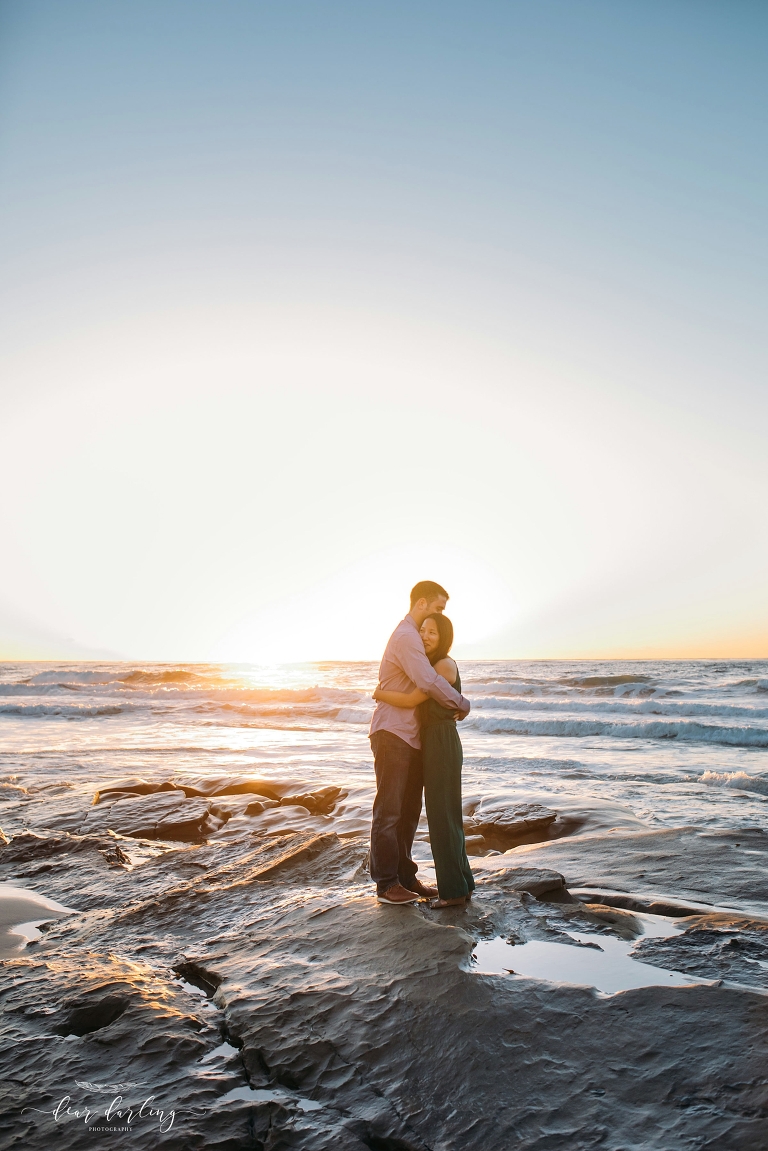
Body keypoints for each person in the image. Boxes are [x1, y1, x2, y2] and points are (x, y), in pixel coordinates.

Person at [369, 581, 471, 905]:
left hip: (409, 736)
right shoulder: (407, 637)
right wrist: (462, 703)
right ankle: (386, 884)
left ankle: (405, 877)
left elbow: (418, 691)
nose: (440, 616)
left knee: (409, 811)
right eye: (439, 608)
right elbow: (426, 683)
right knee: (389, 811)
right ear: (423, 603)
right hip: (393, 733)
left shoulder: (412, 638)